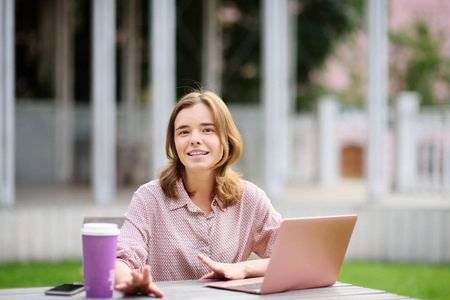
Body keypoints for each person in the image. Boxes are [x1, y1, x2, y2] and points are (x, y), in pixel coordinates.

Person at [114, 90, 282, 297]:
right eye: (183, 132)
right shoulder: (149, 197)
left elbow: (289, 257)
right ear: (174, 143)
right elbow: (122, 257)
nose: (194, 139)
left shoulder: (249, 198)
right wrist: (129, 280)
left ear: (226, 139)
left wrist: (244, 269)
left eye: (207, 130)